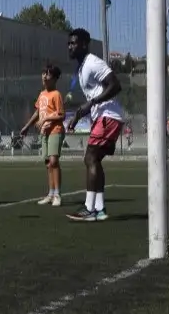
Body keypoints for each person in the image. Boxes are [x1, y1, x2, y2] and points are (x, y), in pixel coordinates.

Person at [65, 28, 124, 222]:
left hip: (109, 116)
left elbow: (115, 85)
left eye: (74, 43)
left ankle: (89, 208)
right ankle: (99, 209)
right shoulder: (82, 68)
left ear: (84, 44)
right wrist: (76, 117)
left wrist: (92, 103)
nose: (70, 46)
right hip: (103, 117)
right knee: (95, 160)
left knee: (90, 158)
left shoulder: (92, 63)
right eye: (68, 43)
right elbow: (92, 99)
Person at [20, 64, 65, 207]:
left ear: (55, 79)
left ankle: (57, 194)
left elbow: (61, 115)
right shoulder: (41, 94)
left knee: (54, 161)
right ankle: (50, 194)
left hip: (55, 130)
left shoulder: (56, 94)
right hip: (44, 132)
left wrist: (46, 119)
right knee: (48, 164)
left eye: (48, 74)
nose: (45, 76)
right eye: (44, 73)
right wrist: (27, 126)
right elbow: (37, 112)